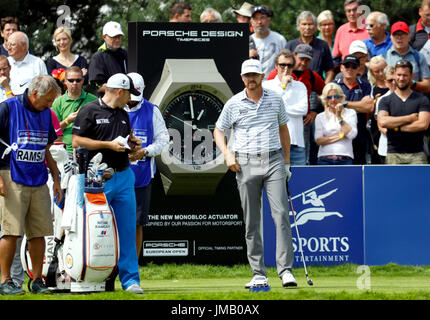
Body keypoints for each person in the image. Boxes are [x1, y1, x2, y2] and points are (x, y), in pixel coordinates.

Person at [213, 59, 297, 289]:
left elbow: (283, 130)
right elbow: (218, 131)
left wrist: (287, 163)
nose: (251, 79)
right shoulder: (233, 103)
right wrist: (227, 155)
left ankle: (286, 270)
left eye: (255, 75)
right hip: (245, 162)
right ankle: (258, 273)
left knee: (281, 215)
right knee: (252, 221)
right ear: (242, 78)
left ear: (262, 76)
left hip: (274, 160)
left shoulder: (275, 99)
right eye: (247, 75)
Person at [72, 73, 144, 294]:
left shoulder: (123, 113)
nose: (131, 99)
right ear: (119, 91)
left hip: (123, 176)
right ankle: (92, 276)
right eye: (129, 94)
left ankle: (131, 280)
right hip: (97, 179)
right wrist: (108, 145)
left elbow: (123, 138)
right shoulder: (89, 110)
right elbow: (76, 140)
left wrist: (132, 143)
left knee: (127, 230)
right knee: (95, 230)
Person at [0, 75, 62, 295]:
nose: (50, 104)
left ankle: (37, 281)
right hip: (10, 175)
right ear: (34, 93)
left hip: (38, 178)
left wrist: (55, 178)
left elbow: (46, 150)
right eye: (48, 99)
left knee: (39, 233)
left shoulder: (46, 113)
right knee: (11, 232)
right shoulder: (7, 108)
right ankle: (5, 281)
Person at [125, 72, 169, 260]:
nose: (131, 103)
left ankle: (133, 266)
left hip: (141, 175)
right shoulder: (113, 110)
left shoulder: (152, 110)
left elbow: (164, 139)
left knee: (136, 223)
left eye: (135, 99)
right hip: (115, 175)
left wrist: (145, 151)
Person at [378, 59, 430, 164]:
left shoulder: (421, 99)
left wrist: (395, 128)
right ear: (395, 75)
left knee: (419, 181)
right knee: (393, 181)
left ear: (412, 76)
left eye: (405, 75)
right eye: (399, 75)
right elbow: (383, 122)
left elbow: (423, 124)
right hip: (393, 154)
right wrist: (409, 118)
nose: (401, 78)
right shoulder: (385, 100)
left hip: (417, 153)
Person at [263, 49, 308, 165]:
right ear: (276, 66)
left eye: (289, 65)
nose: (286, 69)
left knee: (299, 182)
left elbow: (303, 110)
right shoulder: (266, 85)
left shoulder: (300, 86)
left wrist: (280, 108)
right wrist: (283, 86)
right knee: (274, 182)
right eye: (282, 65)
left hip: (296, 144)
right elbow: (269, 110)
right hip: (274, 144)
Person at [333, 54, 373, 164]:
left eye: (353, 66)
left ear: (359, 68)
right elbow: (332, 106)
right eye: (347, 66)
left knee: (358, 170)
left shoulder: (365, 85)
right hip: (337, 134)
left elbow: (368, 107)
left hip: (359, 135)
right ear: (341, 68)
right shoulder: (333, 85)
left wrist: (344, 104)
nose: (350, 69)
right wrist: (359, 105)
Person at [51, 66, 97, 154]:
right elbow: (52, 131)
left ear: (83, 81)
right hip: (66, 152)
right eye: (71, 80)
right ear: (65, 81)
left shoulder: (93, 100)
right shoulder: (58, 102)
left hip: (89, 151)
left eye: (78, 80)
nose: (75, 83)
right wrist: (67, 121)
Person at [285, 11, 335, 83]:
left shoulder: (323, 45)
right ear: (298, 26)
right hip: (294, 86)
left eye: (310, 24)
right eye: (304, 24)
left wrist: (324, 89)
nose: (307, 27)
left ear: (315, 26)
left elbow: (330, 70)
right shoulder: (290, 45)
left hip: (316, 89)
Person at [315, 83, 358, 165]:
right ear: (325, 100)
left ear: (341, 97)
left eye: (336, 96)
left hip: (345, 158)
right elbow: (319, 140)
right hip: (325, 158)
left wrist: (339, 116)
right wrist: (341, 135)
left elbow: (352, 135)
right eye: (329, 97)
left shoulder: (351, 113)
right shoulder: (320, 116)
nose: (333, 99)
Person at [384, 21, 430, 94]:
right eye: (396, 35)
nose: (399, 37)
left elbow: (428, 86)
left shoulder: (419, 57)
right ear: (391, 38)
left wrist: (412, 83)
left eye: (403, 34)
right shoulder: (384, 56)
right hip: (392, 101)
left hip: (415, 100)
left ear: (409, 37)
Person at [88, 21, 128, 96]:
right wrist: (120, 89)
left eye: (119, 36)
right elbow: (98, 86)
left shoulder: (125, 54)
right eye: (113, 37)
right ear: (104, 37)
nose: (117, 40)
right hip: (107, 103)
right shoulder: (97, 57)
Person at [250, 5, 287, 79]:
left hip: (275, 85)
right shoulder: (247, 41)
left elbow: (287, 64)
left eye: (262, 18)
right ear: (251, 22)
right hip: (253, 84)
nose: (259, 22)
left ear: (268, 20)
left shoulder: (280, 39)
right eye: (256, 19)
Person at [332, 0, 369, 65]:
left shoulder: (369, 28)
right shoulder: (341, 30)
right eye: (348, 11)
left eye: (355, 10)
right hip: (346, 72)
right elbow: (336, 58)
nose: (352, 13)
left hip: (366, 72)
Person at [367, 56, 389, 163]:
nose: (381, 73)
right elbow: (369, 112)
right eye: (377, 71)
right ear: (372, 72)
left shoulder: (393, 83)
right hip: (377, 127)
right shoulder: (371, 87)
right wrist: (374, 103)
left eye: (383, 69)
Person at [374, 65, 396, 163]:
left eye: (396, 79)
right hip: (386, 148)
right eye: (390, 80)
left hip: (409, 148)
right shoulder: (382, 100)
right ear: (385, 82)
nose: (394, 83)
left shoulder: (412, 97)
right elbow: (380, 125)